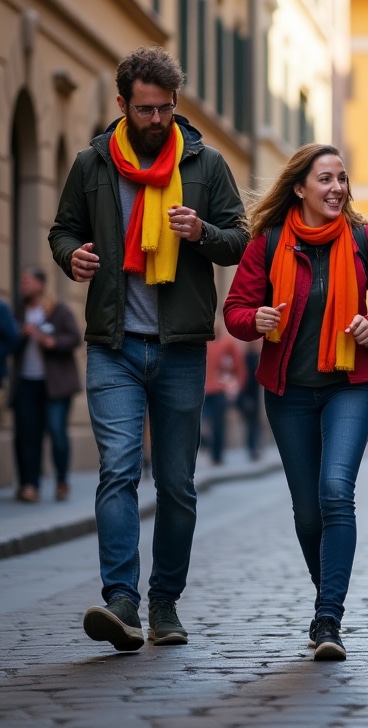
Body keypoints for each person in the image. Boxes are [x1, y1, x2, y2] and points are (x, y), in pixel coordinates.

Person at [48, 46, 246, 652]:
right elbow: (63, 230)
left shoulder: (206, 166)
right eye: (144, 109)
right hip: (114, 346)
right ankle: (121, 600)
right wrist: (71, 257)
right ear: (122, 105)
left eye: (164, 109)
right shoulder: (92, 164)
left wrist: (201, 232)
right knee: (117, 471)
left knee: (179, 483)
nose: (155, 120)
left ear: (176, 104)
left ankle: (164, 603)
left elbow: (239, 239)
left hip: (182, 347)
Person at [223, 143, 368, 661]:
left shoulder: (362, 239)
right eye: (325, 179)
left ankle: (328, 617)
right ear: (301, 187)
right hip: (288, 393)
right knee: (308, 514)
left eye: (342, 179)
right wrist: (254, 320)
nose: (337, 188)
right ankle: (326, 599)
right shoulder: (267, 244)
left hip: (350, 384)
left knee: (335, 492)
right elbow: (235, 309)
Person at [11, 266, 82, 502]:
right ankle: (31, 485)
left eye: (28, 281)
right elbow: (9, 340)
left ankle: (61, 480)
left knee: (56, 431)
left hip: (56, 385)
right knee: (28, 434)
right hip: (27, 383)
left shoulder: (56, 308)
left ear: (40, 284)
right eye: (22, 282)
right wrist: (21, 334)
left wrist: (52, 342)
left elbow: (74, 337)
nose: (24, 285)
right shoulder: (19, 311)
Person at [202, 324, 244, 465]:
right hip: (208, 389)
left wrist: (237, 385)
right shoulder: (205, 344)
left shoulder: (227, 344)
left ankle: (216, 455)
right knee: (209, 422)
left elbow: (238, 365)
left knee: (216, 423)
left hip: (218, 389)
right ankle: (212, 452)